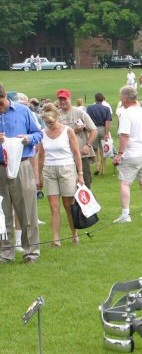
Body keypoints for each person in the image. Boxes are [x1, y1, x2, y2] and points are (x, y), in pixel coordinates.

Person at [0, 83, 44, 262]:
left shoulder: (23, 111)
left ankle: (31, 251)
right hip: (0, 168)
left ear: (5, 97)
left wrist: (28, 139)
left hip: (22, 165)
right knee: (2, 213)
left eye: (0, 103)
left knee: (27, 209)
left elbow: (38, 134)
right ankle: (5, 253)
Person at [37, 103, 84, 246]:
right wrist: (38, 176)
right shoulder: (42, 133)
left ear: (57, 118)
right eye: (46, 122)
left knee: (69, 205)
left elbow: (76, 153)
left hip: (67, 169)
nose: (49, 125)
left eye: (51, 122)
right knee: (54, 206)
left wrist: (80, 173)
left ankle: (74, 234)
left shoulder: (68, 131)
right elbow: (40, 156)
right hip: (50, 170)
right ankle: (56, 239)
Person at [113, 86, 142, 223]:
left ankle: (126, 214)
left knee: (125, 183)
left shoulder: (126, 113)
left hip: (132, 153)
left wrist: (120, 153)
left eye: (121, 97)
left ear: (125, 98)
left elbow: (124, 136)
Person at [56, 88, 97, 188]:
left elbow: (93, 130)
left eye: (64, 99)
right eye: (60, 99)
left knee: (85, 184)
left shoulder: (79, 112)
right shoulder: (57, 115)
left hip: (81, 154)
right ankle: (73, 204)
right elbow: (55, 136)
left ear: (69, 99)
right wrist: (74, 131)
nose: (62, 101)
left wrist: (88, 145)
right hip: (65, 156)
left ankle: (89, 203)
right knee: (69, 186)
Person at [86, 92, 113, 177]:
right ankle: (103, 169)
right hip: (102, 128)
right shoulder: (106, 109)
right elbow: (107, 122)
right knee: (103, 150)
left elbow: (88, 119)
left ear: (95, 99)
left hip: (93, 129)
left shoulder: (89, 108)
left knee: (95, 150)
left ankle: (97, 167)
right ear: (103, 99)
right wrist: (107, 132)